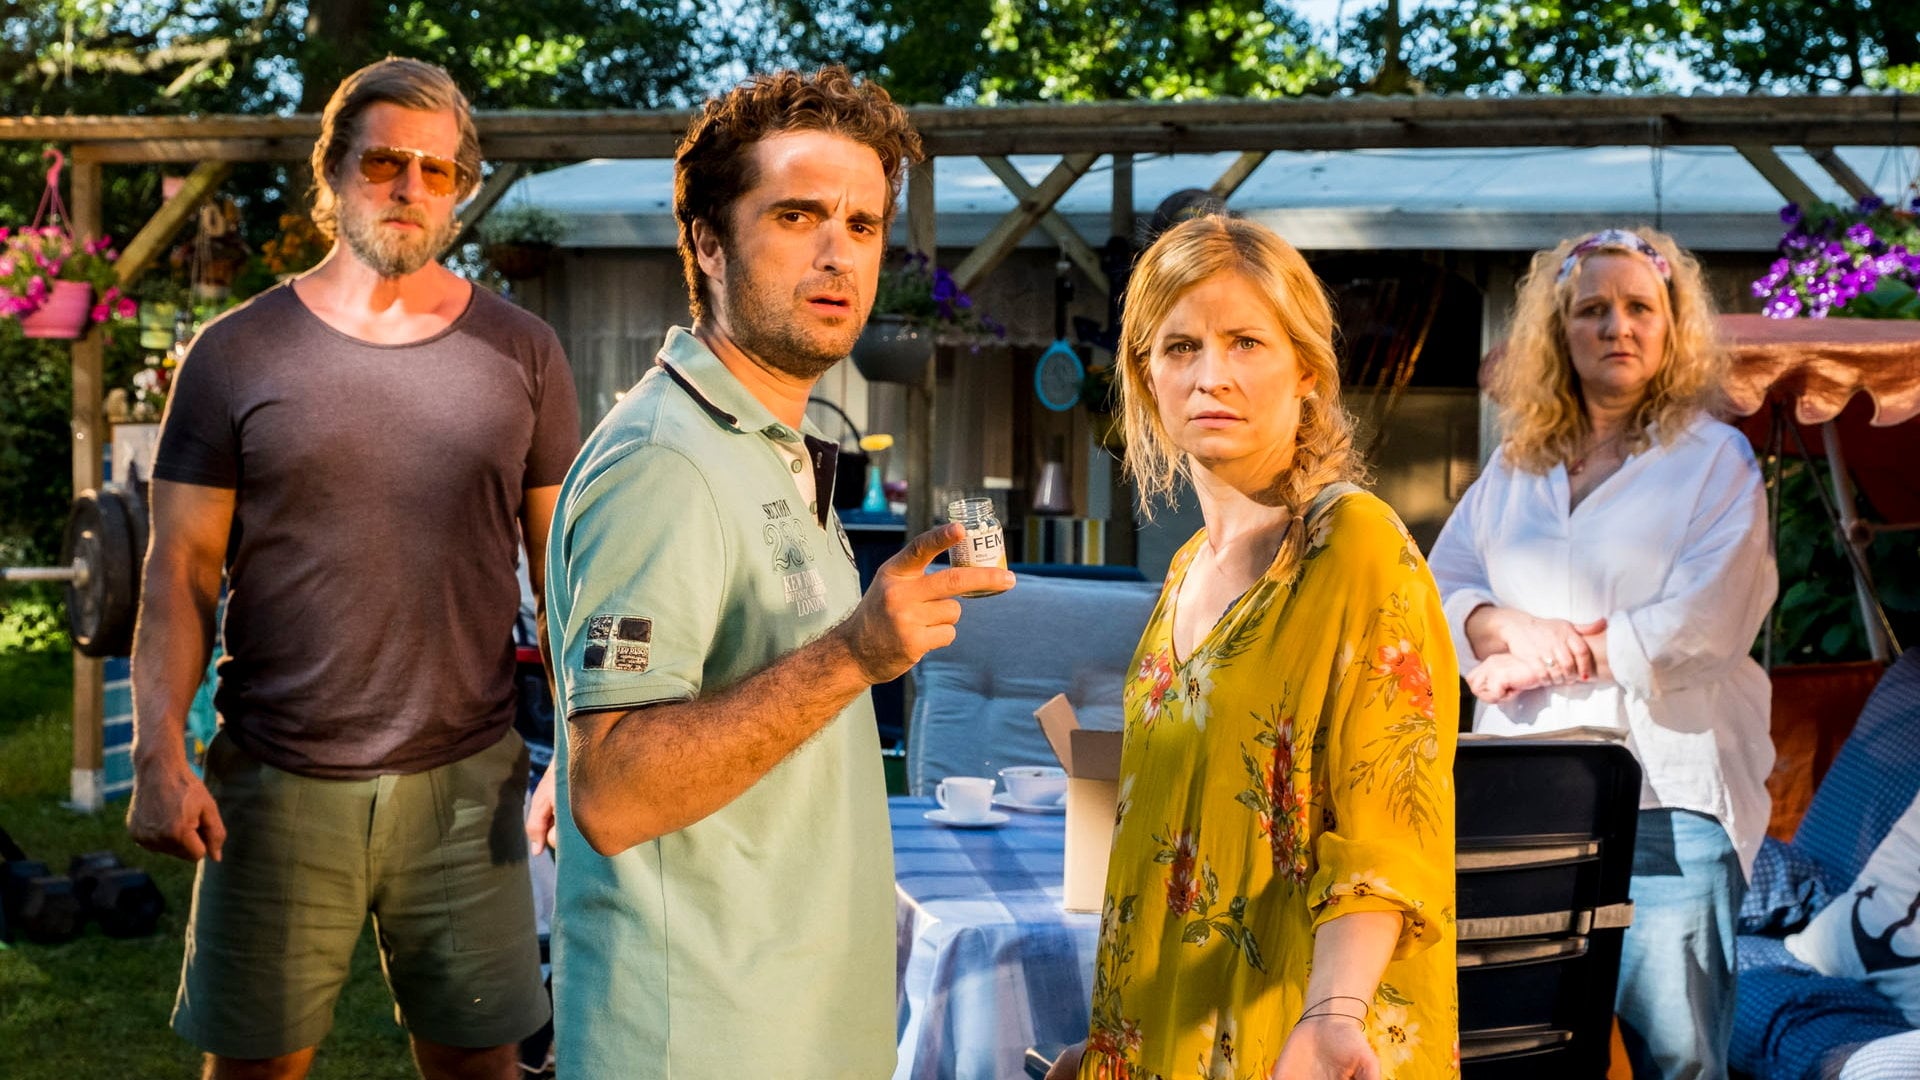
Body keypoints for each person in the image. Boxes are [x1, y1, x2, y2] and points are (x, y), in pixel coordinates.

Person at [535, 66, 1013, 1078]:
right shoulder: (663, 463)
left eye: (863, 223)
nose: (839, 253)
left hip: (792, 1033)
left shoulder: (763, 443)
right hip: (701, 1044)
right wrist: (855, 654)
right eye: (797, 215)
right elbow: (611, 792)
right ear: (709, 243)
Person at [127, 57, 578, 1080]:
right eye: (384, 162)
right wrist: (158, 751)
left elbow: (566, 573)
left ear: (459, 188)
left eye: (437, 169)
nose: (411, 187)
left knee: (482, 1068)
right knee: (256, 1070)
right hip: (275, 783)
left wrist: (580, 748)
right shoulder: (233, 354)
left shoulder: (525, 353)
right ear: (331, 172)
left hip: (469, 786)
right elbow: (179, 572)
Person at [1049, 215, 1459, 1080]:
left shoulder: (1353, 547)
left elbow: (1389, 835)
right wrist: (1120, 1044)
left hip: (1302, 1048)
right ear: (1146, 375)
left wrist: (1335, 1016)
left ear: (1306, 368)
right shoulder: (1185, 571)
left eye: (1246, 342)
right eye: (1181, 347)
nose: (1212, 376)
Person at [1428, 226, 1776, 1080]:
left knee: (1677, 1059)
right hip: (1526, 798)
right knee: (1523, 1041)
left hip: (1668, 800)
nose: (1618, 326)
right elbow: (1440, 584)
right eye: (1593, 310)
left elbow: (1704, 623)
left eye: (1639, 308)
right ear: (1561, 331)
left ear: (1671, 327)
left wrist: (1539, 660)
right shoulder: (1515, 466)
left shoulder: (1715, 461)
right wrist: (1507, 630)